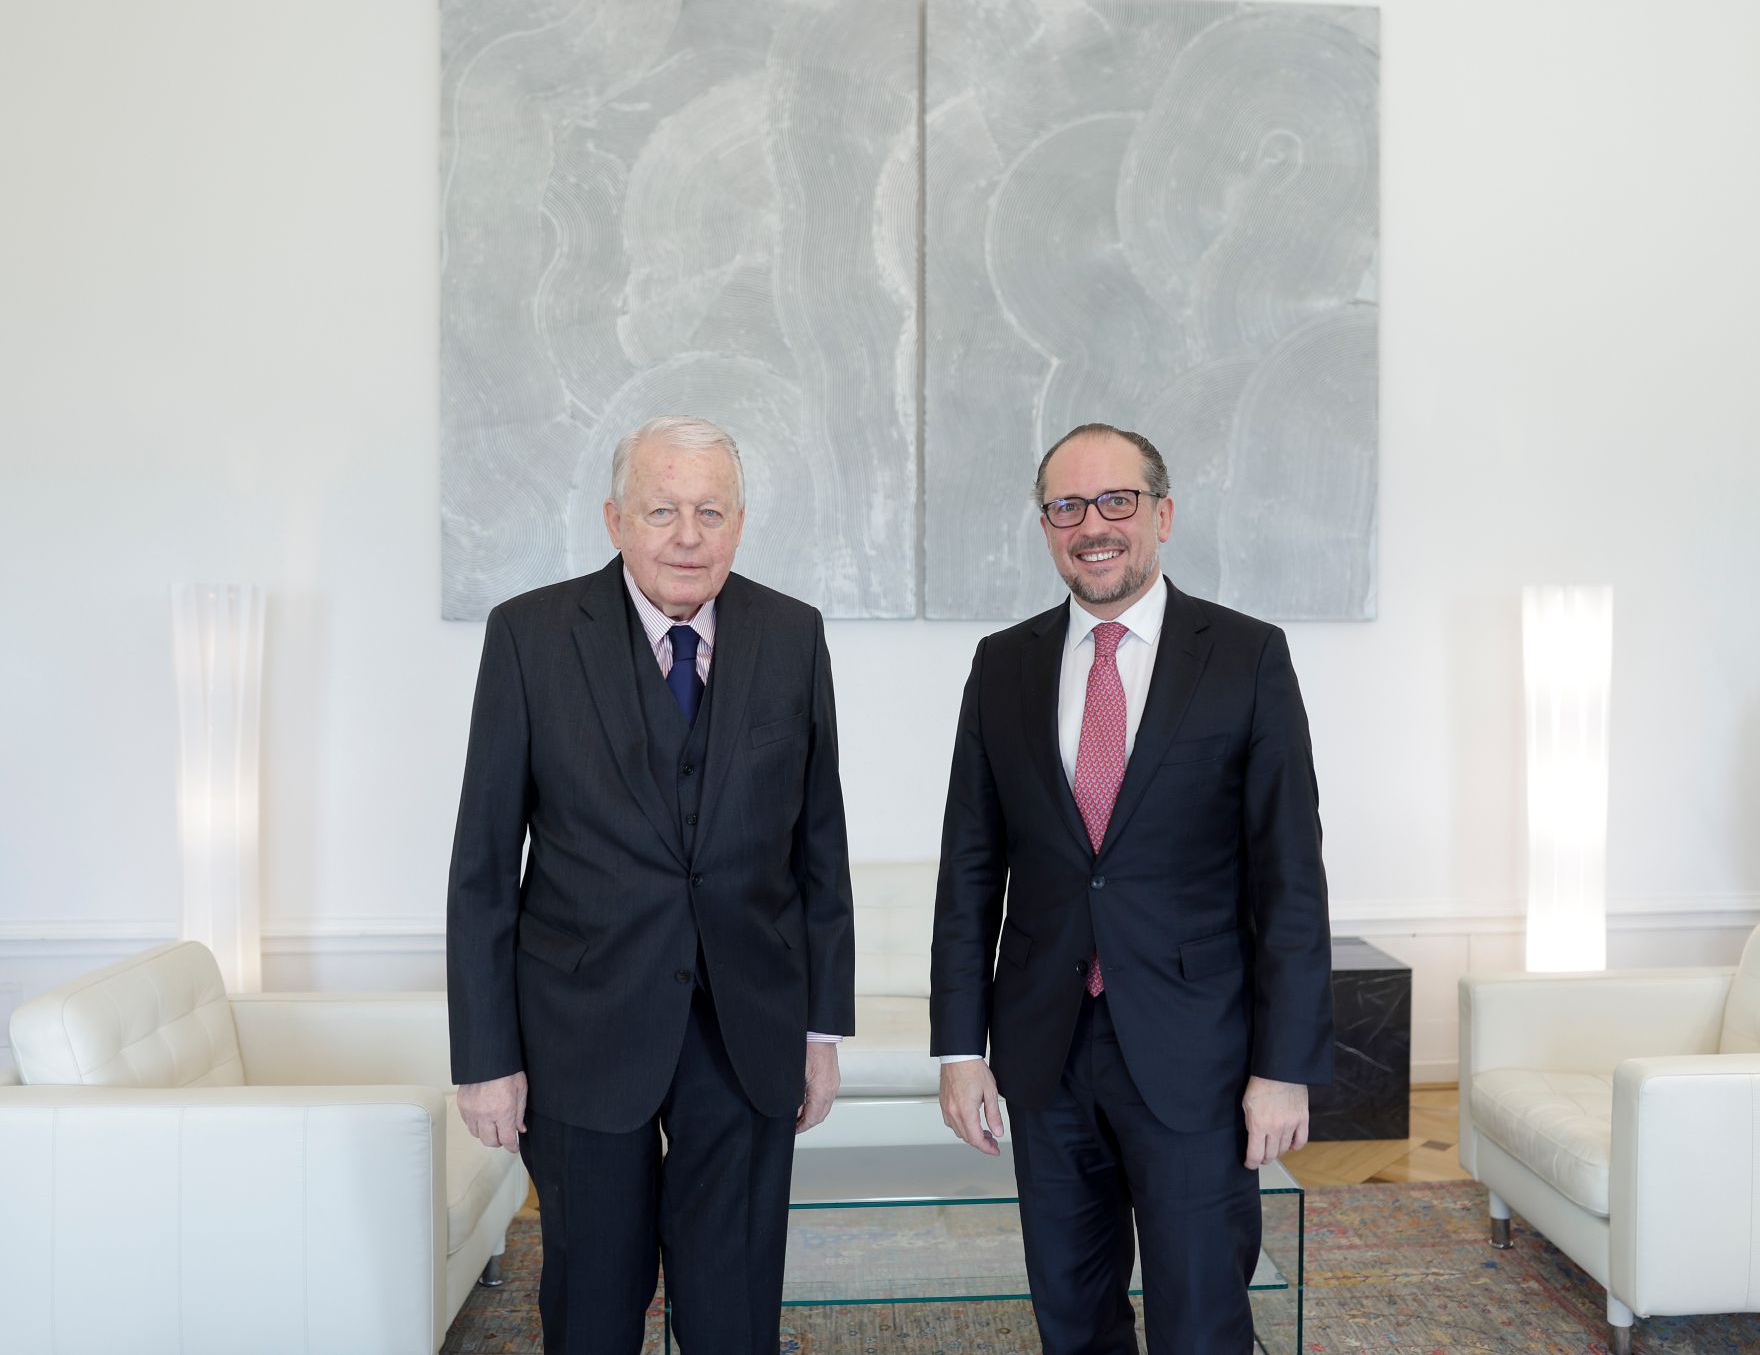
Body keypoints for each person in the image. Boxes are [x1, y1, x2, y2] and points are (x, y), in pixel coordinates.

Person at [446, 415, 855, 1355]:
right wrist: (485, 1056)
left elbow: (819, 847)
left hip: (746, 1030)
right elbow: (481, 866)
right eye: (662, 509)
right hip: (580, 1032)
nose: (687, 534)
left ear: (740, 523)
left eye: (710, 511)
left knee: (735, 1306)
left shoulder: (792, 634)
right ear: (614, 519)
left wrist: (820, 1030)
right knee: (591, 1302)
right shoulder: (530, 635)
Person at [930, 422, 1332, 1353]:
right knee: (1072, 1314)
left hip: (1198, 1054)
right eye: (1067, 507)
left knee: (1201, 1317)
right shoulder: (1004, 664)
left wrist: (1284, 1069)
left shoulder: (1246, 656)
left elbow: (1290, 881)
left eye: (1117, 501)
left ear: (1164, 513)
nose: (1092, 525)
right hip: (1043, 1049)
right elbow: (970, 870)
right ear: (1046, 526)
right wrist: (960, 1048)